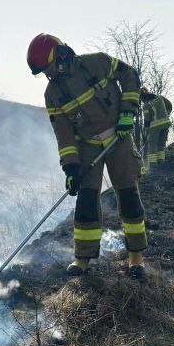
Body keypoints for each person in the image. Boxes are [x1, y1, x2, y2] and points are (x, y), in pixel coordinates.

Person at [27, 33, 148, 278]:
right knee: (86, 201)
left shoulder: (97, 62)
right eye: (44, 72)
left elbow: (130, 76)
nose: (49, 75)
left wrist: (128, 112)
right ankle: (82, 259)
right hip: (87, 145)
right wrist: (70, 168)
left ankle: (136, 258)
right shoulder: (53, 94)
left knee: (128, 195)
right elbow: (64, 134)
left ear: (61, 55)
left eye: (50, 68)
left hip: (119, 136)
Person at [140, 87, 173, 170]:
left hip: (155, 127)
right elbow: (169, 105)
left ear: (141, 97)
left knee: (152, 146)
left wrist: (147, 130)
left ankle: (153, 166)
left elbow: (147, 121)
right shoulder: (159, 97)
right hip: (166, 124)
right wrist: (166, 114)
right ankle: (160, 162)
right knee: (161, 144)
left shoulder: (146, 105)